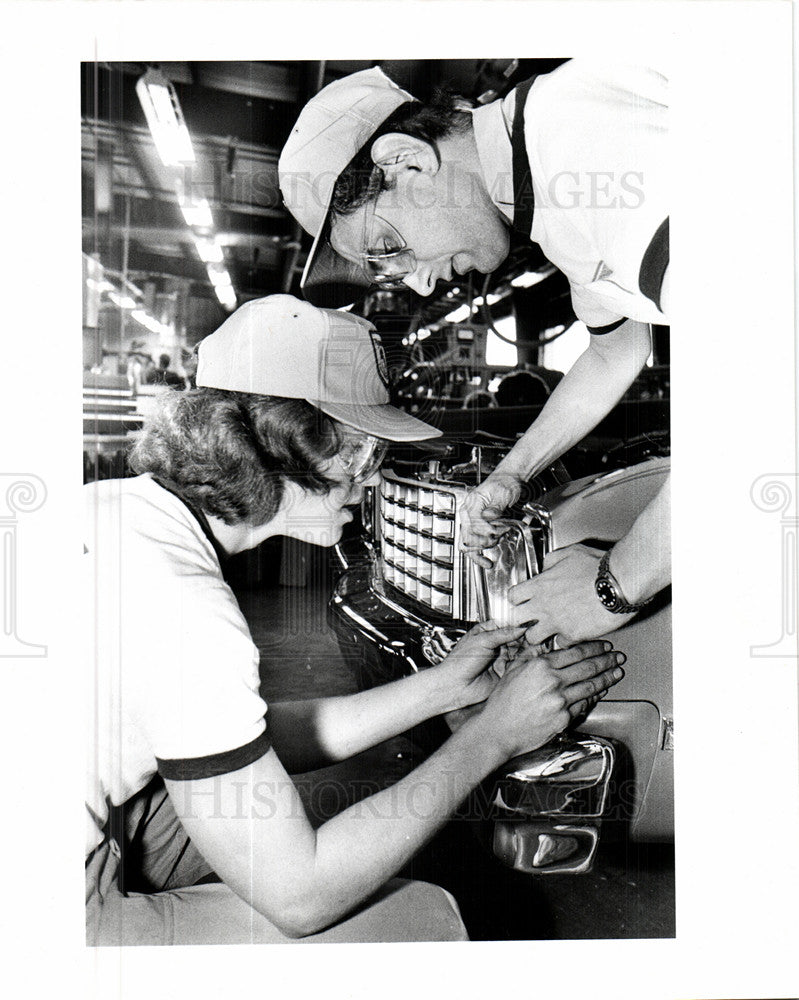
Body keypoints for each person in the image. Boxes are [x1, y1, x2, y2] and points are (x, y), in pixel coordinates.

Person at [86, 293, 625, 946]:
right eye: (363, 454)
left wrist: (443, 688)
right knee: (425, 918)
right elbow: (299, 897)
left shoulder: (116, 513)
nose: (368, 483)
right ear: (292, 442)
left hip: (89, 829)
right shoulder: (187, 610)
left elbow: (236, 735)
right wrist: (492, 739)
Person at [278, 62, 670, 645]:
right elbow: (616, 350)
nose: (418, 287)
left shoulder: (579, 146)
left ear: (407, 160)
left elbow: (767, 381)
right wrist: (512, 476)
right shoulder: (544, 186)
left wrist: (615, 585)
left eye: (388, 247)